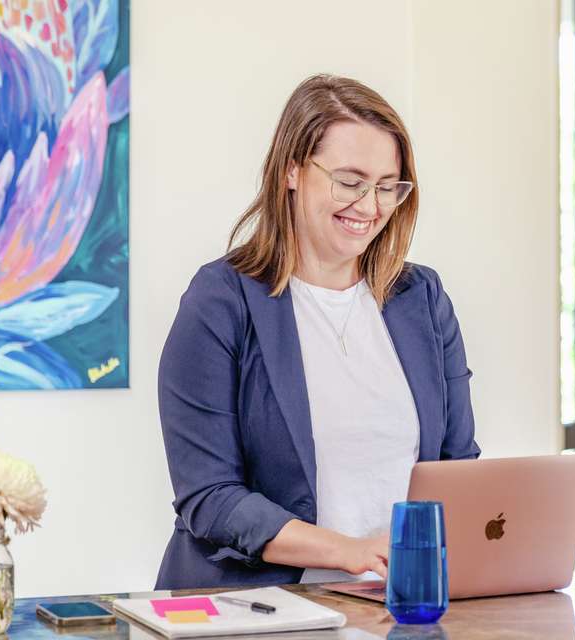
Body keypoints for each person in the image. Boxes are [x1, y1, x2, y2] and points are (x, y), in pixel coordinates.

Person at [155, 74, 480, 589]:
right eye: (349, 182)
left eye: (386, 186)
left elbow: (458, 469)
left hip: (396, 606)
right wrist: (349, 552)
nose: (370, 207)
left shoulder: (422, 298)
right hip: (259, 611)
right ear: (291, 170)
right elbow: (210, 497)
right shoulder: (219, 302)